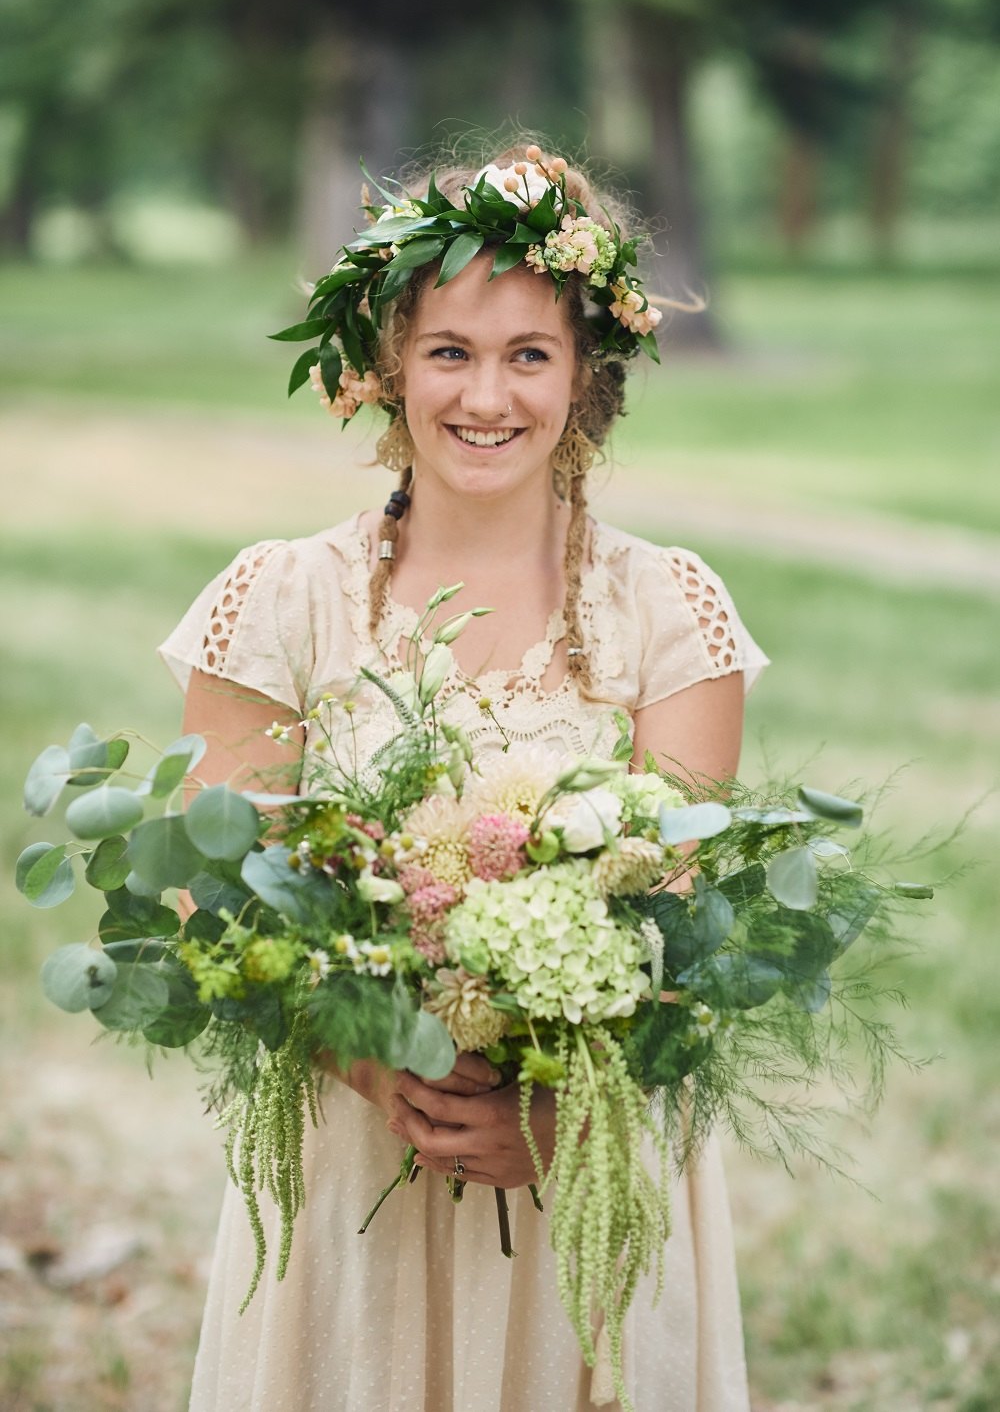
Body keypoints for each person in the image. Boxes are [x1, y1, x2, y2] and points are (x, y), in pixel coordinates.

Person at [159, 143, 768, 1411]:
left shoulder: (669, 607)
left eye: (527, 354)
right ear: (386, 365)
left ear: (584, 373)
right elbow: (210, 896)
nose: (485, 395)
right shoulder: (285, 598)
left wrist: (551, 1119)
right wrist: (388, 1066)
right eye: (449, 350)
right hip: (357, 1151)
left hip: (584, 1163)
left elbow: (695, 933)